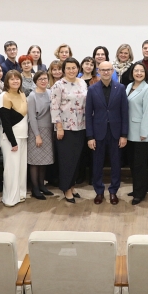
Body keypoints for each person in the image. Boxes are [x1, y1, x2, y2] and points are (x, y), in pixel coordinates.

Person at [86, 61, 129, 205]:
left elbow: (124, 112)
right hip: (98, 133)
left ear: (112, 71)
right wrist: (90, 136)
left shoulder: (120, 88)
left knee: (116, 163)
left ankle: (113, 191)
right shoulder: (92, 89)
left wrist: (124, 134)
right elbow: (88, 114)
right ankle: (99, 191)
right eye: (103, 70)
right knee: (97, 164)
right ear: (98, 71)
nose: (105, 72)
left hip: (116, 133)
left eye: (108, 70)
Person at [50, 58, 88, 203]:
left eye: (74, 68)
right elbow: (54, 107)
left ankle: (72, 186)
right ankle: (66, 189)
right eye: (68, 68)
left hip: (81, 126)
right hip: (65, 128)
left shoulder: (82, 82)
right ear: (64, 70)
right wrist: (59, 127)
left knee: (77, 159)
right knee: (66, 160)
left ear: (78, 69)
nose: (71, 70)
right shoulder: (58, 85)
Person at [0, 70, 28, 207]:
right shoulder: (4, 96)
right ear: (7, 81)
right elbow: (6, 122)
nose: (15, 81)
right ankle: (10, 198)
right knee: (11, 169)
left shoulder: (22, 93)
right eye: (12, 79)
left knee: (21, 169)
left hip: (23, 136)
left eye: (17, 78)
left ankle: (20, 194)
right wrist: (13, 142)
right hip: (11, 138)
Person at [125, 62, 148, 205]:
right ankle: (140, 187)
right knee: (132, 163)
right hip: (129, 130)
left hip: (140, 132)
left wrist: (144, 132)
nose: (138, 73)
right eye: (136, 70)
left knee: (139, 164)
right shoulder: (129, 86)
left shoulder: (147, 89)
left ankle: (139, 193)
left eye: (141, 71)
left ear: (145, 73)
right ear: (132, 72)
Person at [27, 71, 54, 199]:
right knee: (35, 161)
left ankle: (42, 185)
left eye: (45, 78)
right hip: (36, 130)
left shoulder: (50, 92)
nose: (43, 81)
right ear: (35, 81)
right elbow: (32, 117)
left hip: (49, 130)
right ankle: (35, 188)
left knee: (44, 160)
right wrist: (37, 135)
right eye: (40, 79)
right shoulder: (32, 96)